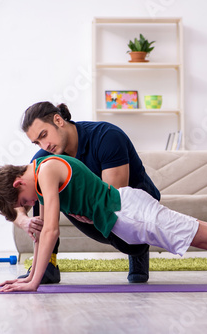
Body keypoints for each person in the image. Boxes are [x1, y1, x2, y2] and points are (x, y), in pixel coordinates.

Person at [0, 154, 207, 292]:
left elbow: (53, 229)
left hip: (132, 214)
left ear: (18, 183)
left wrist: (33, 283)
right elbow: (44, 230)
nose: (29, 206)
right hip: (128, 216)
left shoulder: (45, 170)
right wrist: (31, 272)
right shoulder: (40, 168)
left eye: (24, 202)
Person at [13, 101, 158, 283]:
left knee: (133, 245)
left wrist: (83, 209)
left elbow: (114, 202)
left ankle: (139, 252)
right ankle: (48, 266)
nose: (44, 146)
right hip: (92, 208)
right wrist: (24, 221)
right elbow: (20, 202)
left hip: (131, 207)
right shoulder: (44, 158)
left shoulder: (107, 136)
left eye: (44, 135)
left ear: (58, 120)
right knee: (39, 183)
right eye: (37, 142)